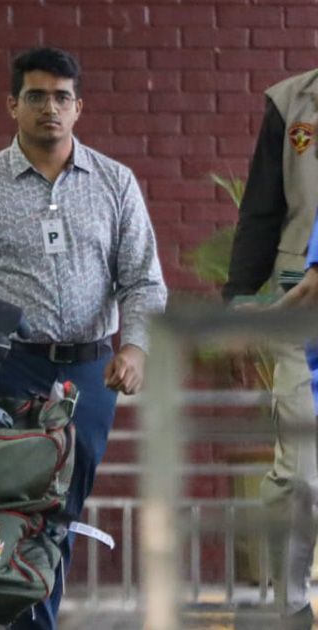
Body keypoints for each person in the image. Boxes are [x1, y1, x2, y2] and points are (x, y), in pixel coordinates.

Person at [0, 47, 167, 630]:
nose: (50, 109)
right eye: (36, 96)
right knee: (0, 507)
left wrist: (135, 348)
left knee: (61, 511)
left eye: (62, 98)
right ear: (12, 105)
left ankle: (37, 620)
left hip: (89, 375)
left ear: (79, 107)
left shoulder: (115, 184)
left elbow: (143, 281)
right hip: (7, 371)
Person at [227, 67, 318, 629]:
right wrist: (237, 303)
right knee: (301, 475)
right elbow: (261, 208)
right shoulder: (292, 103)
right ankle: (291, 609)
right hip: (298, 315)